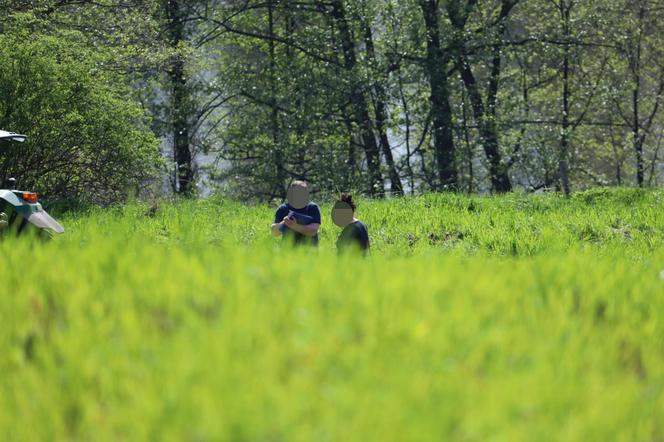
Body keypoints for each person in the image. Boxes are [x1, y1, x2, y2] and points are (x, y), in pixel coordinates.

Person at [271, 180, 321, 246]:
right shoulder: (283, 208)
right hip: (288, 251)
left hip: (309, 251)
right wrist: (285, 222)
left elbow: (313, 231)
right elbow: (275, 233)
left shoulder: (312, 207)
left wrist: (294, 226)